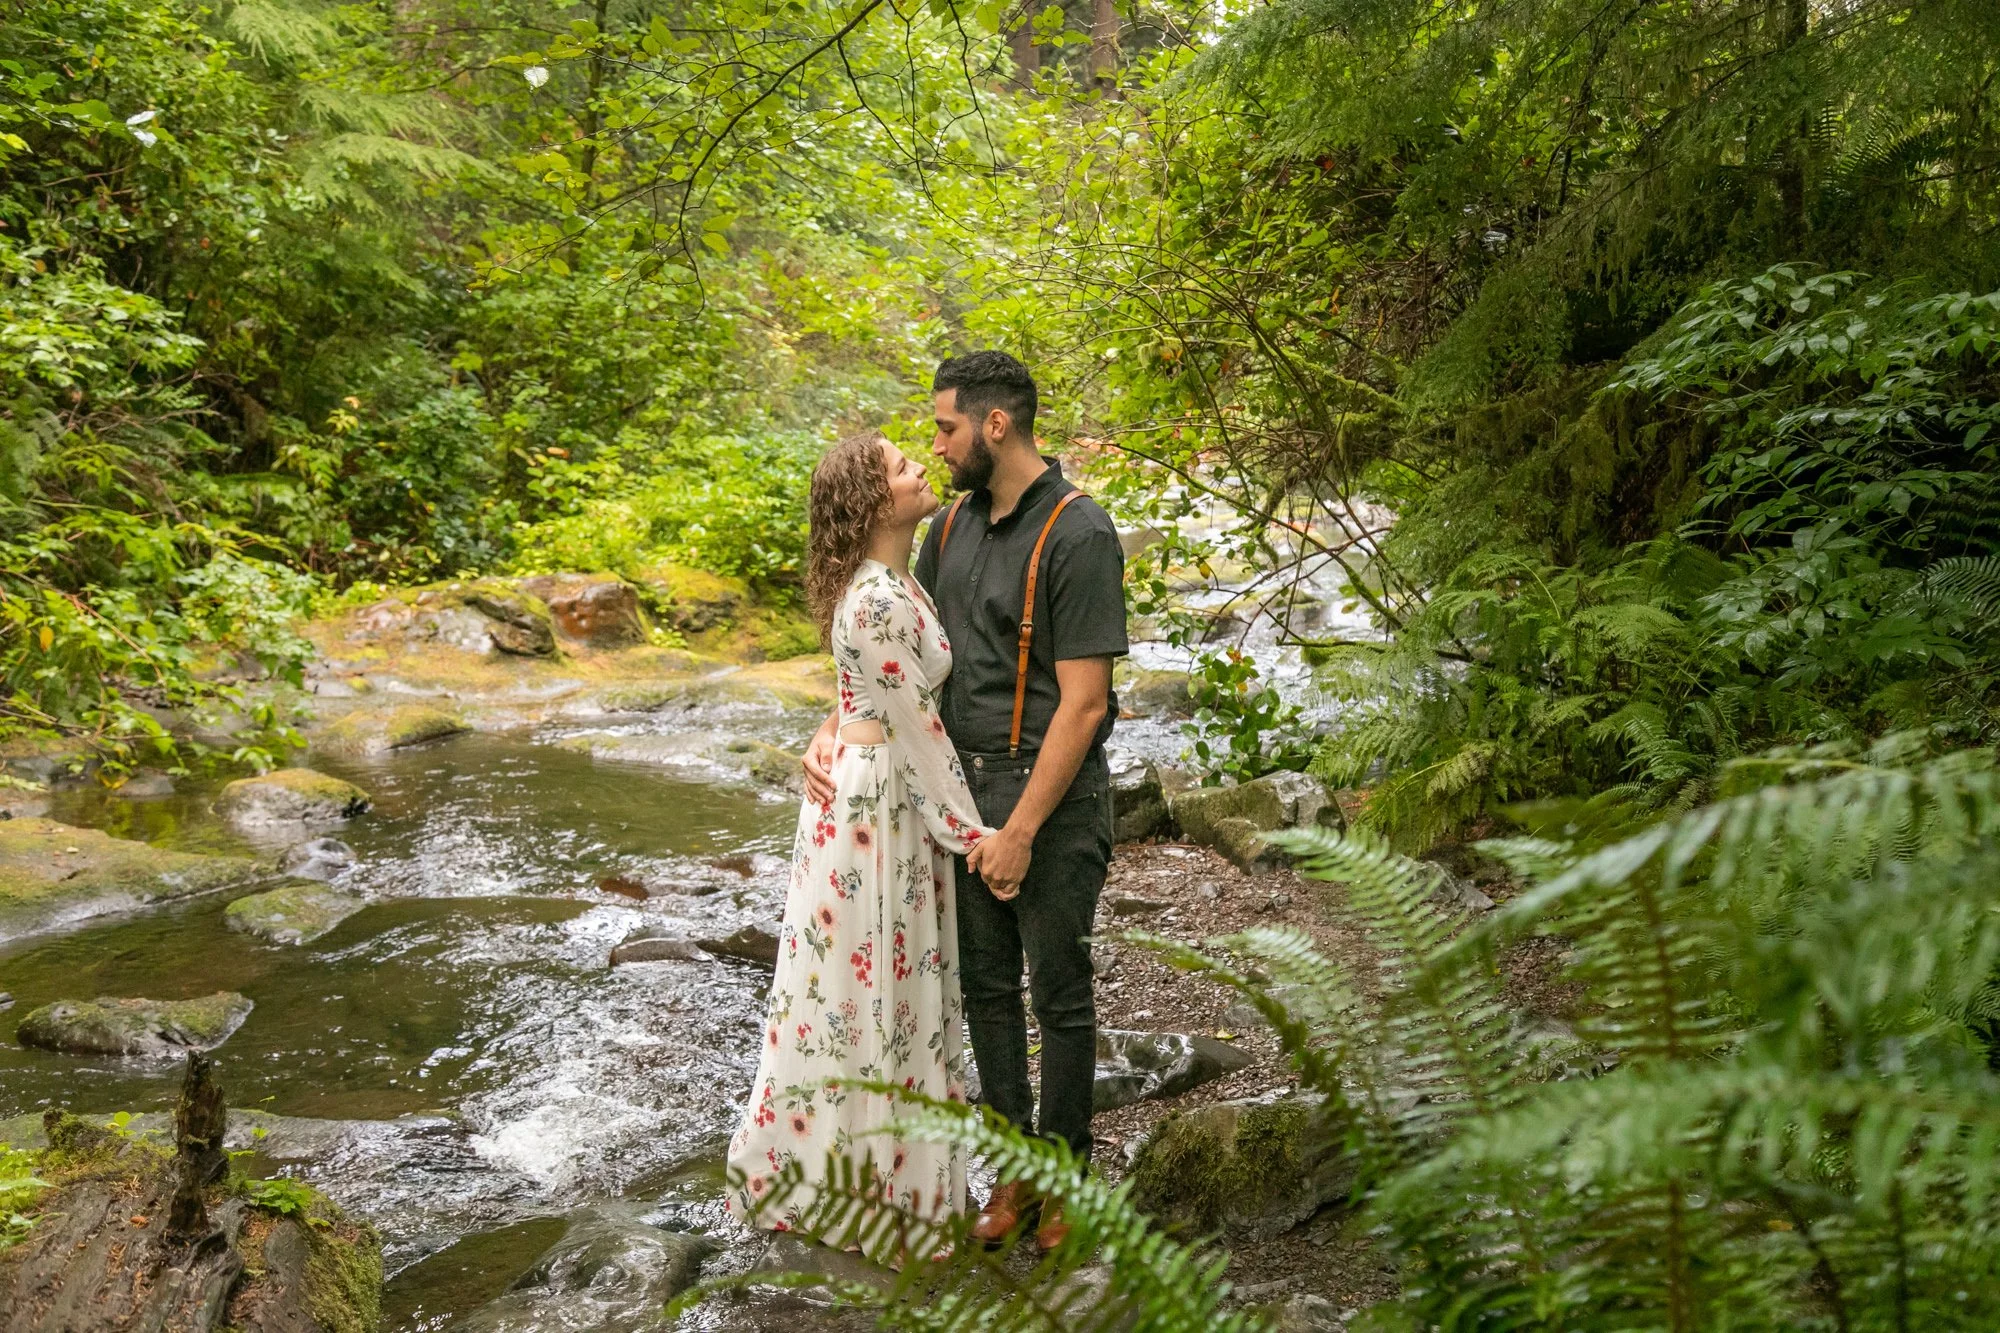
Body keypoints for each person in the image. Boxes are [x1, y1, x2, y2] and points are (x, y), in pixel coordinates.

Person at [803, 351, 1129, 1254]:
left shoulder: (1078, 533)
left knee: (1058, 992)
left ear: (995, 425)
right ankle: (1013, 1168)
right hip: (947, 793)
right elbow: (885, 661)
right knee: (983, 988)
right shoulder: (945, 532)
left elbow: (1088, 702)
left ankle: (1068, 1176)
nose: (935, 444)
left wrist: (1020, 828)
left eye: (946, 427)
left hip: (1047, 796)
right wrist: (834, 728)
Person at [725, 432, 996, 1246]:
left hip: (883, 801)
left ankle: (880, 1176)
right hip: (877, 811)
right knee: (866, 998)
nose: (923, 467)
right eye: (904, 466)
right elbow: (914, 729)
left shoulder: (895, 580)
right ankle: (871, 1193)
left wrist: (839, 721)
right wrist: (974, 835)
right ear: (877, 503)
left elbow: (877, 698)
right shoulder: (877, 597)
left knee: (870, 996)